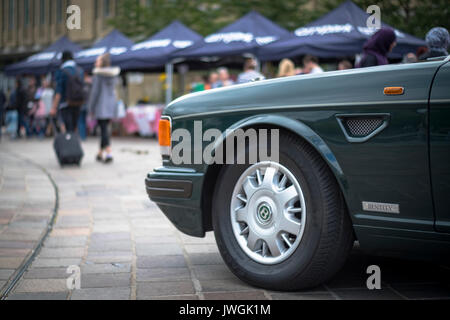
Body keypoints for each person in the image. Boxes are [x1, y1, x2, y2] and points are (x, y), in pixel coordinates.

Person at [86, 53, 120, 164]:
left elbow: (94, 93)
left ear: (102, 62)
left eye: (97, 61)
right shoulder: (113, 74)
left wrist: (91, 108)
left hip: (100, 106)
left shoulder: (97, 75)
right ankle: (100, 153)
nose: (95, 63)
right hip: (110, 105)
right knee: (104, 128)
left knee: (104, 129)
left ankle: (109, 152)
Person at [50, 51, 85, 133]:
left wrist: (54, 107)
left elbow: (58, 91)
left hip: (65, 103)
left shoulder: (61, 71)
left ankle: (70, 143)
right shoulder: (80, 70)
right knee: (75, 125)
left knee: (68, 127)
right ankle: (75, 142)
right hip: (78, 101)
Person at [78, 72, 92, 140]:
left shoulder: (80, 84)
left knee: (81, 121)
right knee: (84, 120)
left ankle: (82, 136)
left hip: (81, 104)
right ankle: (84, 135)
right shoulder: (90, 85)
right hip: (87, 104)